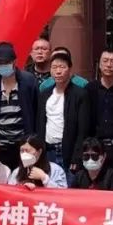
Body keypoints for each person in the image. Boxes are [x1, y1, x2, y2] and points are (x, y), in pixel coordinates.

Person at [36, 49, 92, 179]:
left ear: (70, 69)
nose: (58, 71)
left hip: (67, 150)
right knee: (48, 183)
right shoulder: (45, 94)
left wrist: (77, 156)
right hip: (47, 150)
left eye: (62, 67)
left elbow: (83, 129)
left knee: (68, 184)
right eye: (54, 67)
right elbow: (40, 124)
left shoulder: (80, 94)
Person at [0, 42, 37, 170]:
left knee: (24, 176)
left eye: (6, 63)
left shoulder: (28, 81)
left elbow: (36, 111)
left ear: (14, 62)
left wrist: (33, 140)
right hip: (0, 145)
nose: (3, 66)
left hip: (24, 144)